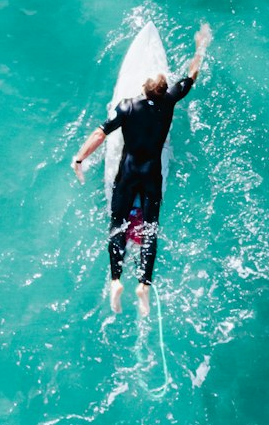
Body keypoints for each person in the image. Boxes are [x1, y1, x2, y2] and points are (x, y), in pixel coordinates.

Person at [72, 23, 213, 317]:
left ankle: (115, 282)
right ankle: (144, 286)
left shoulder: (127, 106)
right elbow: (191, 76)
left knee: (117, 224)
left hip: (127, 173)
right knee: (150, 230)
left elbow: (100, 134)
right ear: (163, 90)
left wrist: (80, 159)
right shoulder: (170, 101)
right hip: (152, 175)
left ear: (143, 89)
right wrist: (200, 47)